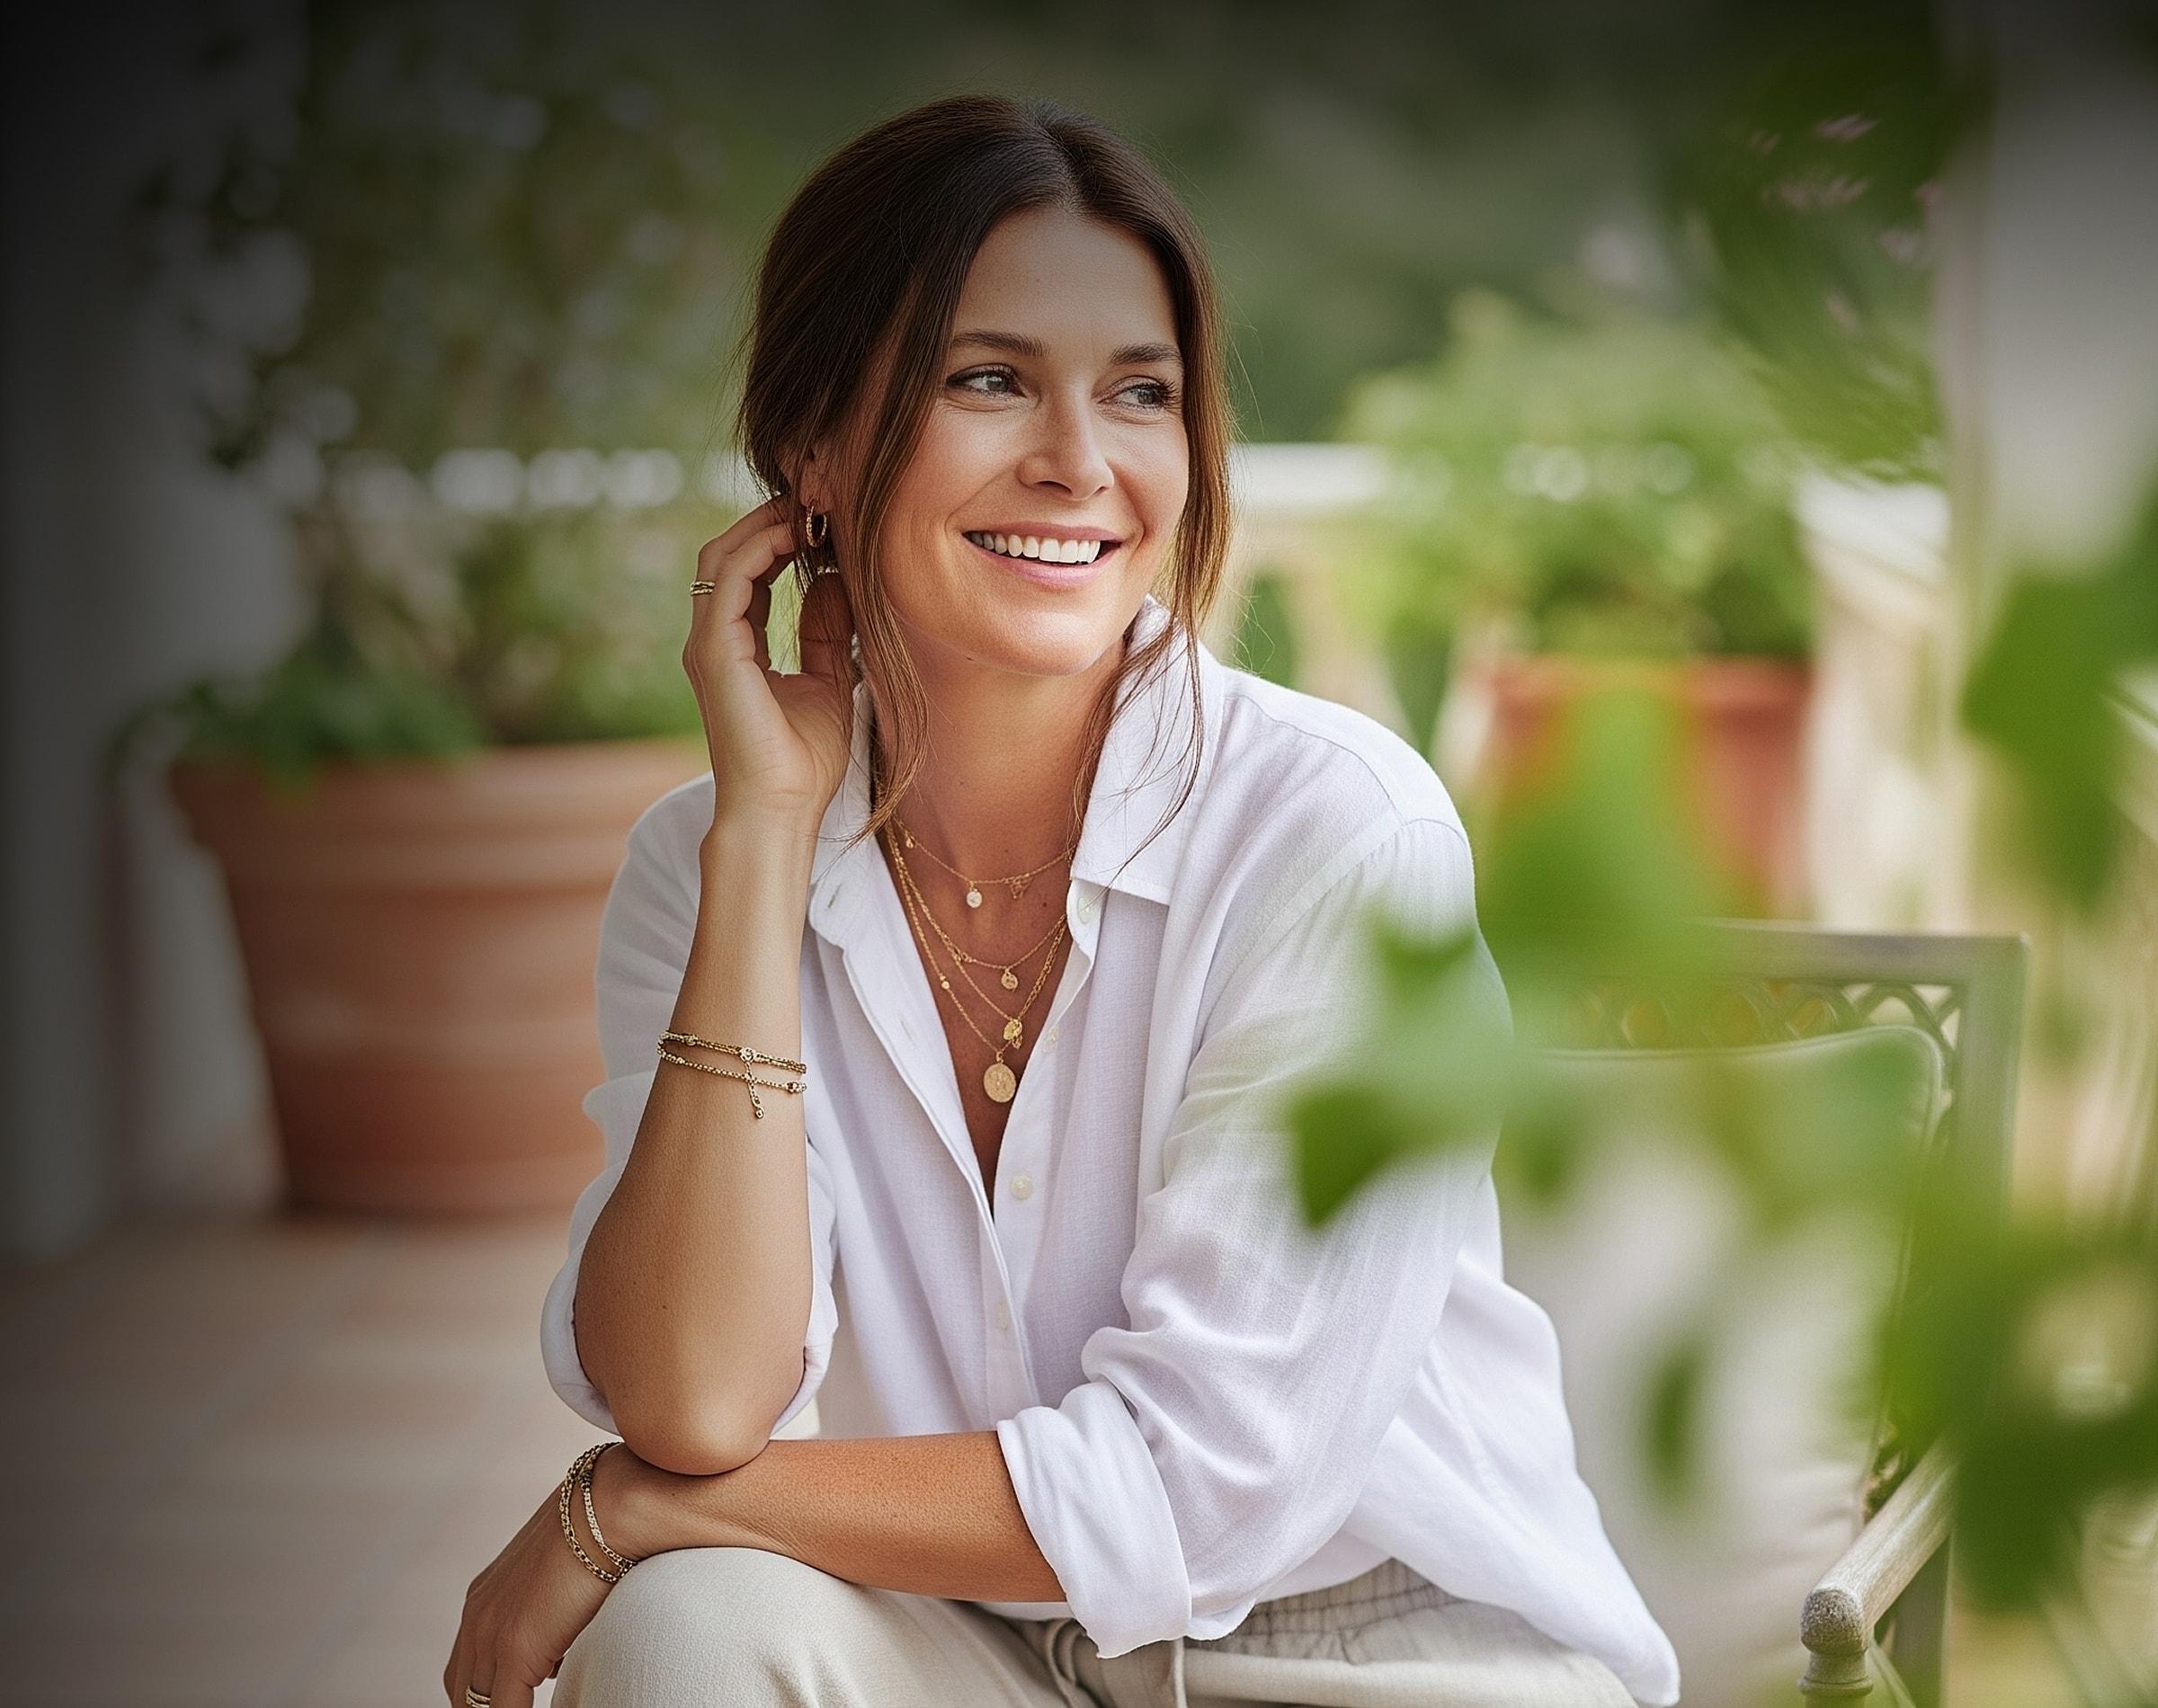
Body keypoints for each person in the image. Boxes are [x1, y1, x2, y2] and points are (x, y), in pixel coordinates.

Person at [445, 94, 1679, 1708]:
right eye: (990, 380)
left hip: (1377, 1660)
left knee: (668, 1562)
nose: (1079, 464)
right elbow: (691, 1395)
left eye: (1140, 394)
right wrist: (764, 839)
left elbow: (1204, 1486)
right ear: (810, 443)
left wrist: (630, 1509)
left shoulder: (1334, 830)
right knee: (686, 1632)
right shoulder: (705, 860)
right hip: (978, 1646)